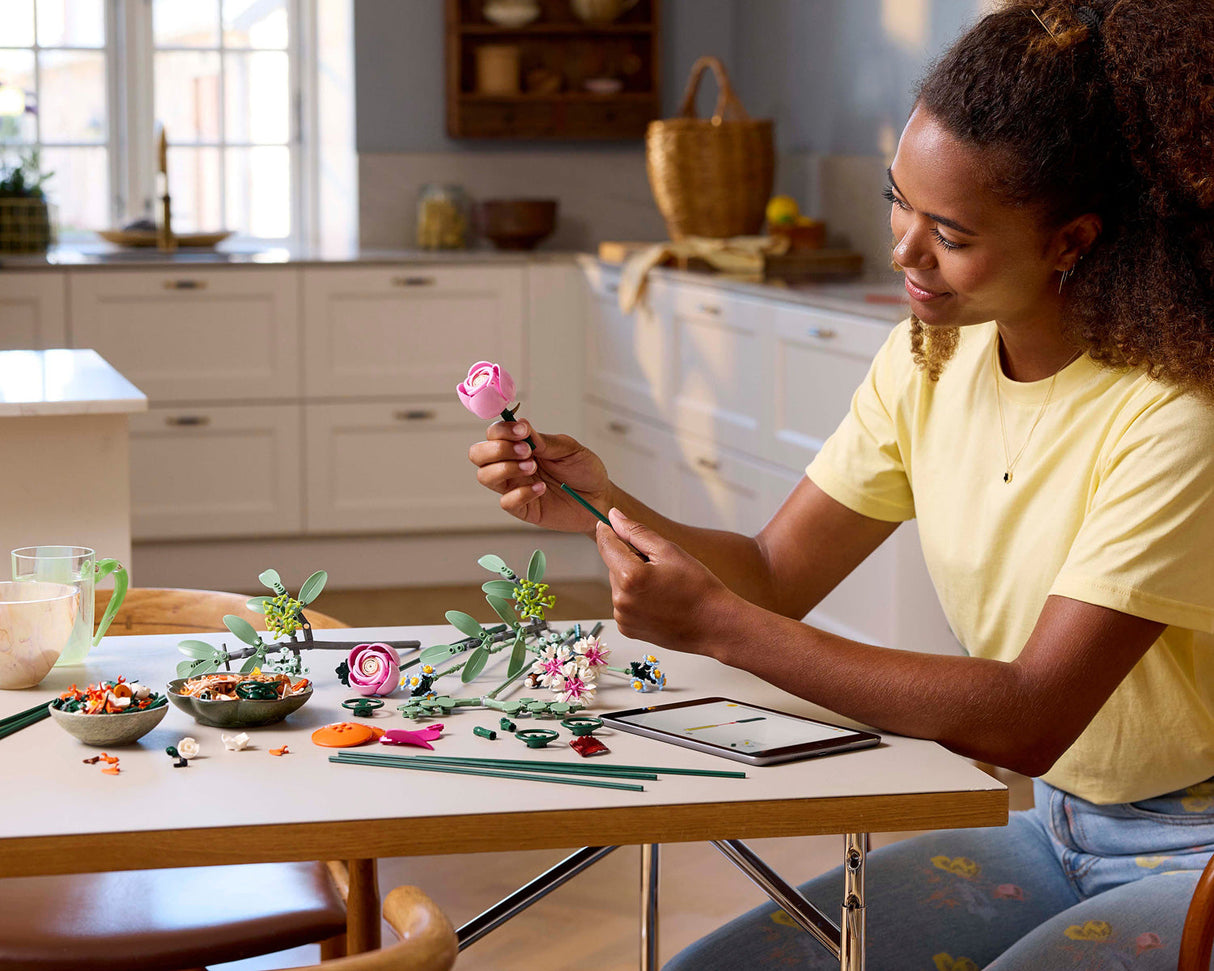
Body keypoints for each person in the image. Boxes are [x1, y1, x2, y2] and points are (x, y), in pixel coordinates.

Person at [467, 1, 1214, 966]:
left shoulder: (1177, 418)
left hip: (1193, 853)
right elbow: (777, 571)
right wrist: (595, 500)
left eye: (950, 231)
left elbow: (1028, 714)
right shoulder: (931, 360)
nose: (904, 250)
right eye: (900, 200)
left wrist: (721, 628)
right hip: (1052, 825)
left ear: (1071, 239)